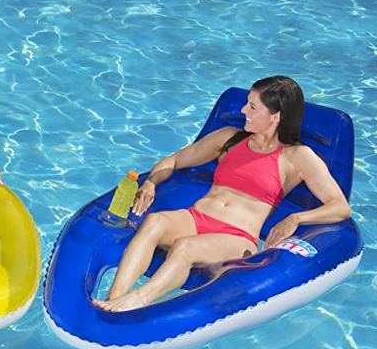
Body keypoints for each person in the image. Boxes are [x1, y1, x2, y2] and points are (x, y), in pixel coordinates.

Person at [92, 76, 352, 312]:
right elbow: (173, 160)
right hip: (196, 218)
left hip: (236, 237)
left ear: (276, 116)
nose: (242, 111)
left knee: (185, 247)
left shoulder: (297, 157)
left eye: (252, 107)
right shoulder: (230, 139)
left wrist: (295, 219)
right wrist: (152, 183)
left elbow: (340, 206)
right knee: (155, 221)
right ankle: (115, 296)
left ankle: (140, 298)